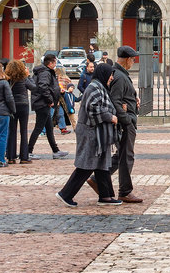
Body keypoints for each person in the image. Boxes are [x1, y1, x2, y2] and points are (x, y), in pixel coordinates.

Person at [57, 61, 120, 206]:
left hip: (97, 132)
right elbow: (93, 108)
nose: (111, 78)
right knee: (87, 164)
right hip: (90, 131)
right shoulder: (94, 87)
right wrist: (110, 117)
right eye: (110, 75)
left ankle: (105, 196)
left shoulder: (100, 87)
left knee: (100, 163)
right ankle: (65, 194)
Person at [108, 46, 144, 202]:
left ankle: (98, 178)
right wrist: (127, 119)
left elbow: (121, 97)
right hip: (125, 122)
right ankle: (125, 191)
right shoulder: (120, 76)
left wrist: (132, 101)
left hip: (126, 118)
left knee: (121, 155)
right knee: (127, 157)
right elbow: (115, 101)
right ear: (128, 59)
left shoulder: (119, 74)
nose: (133, 62)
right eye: (133, 59)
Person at [27, 53, 68, 159]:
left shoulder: (44, 71)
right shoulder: (45, 73)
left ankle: (55, 151)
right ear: (50, 63)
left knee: (49, 128)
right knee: (38, 128)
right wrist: (49, 100)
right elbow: (43, 87)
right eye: (55, 62)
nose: (55, 64)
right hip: (42, 103)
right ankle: (28, 151)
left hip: (43, 103)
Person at [4, 60, 33, 164]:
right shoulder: (24, 79)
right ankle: (24, 157)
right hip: (23, 105)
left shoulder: (8, 79)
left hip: (11, 105)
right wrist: (28, 76)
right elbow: (34, 88)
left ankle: (11, 157)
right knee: (23, 131)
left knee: (12, 131)